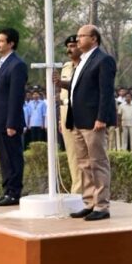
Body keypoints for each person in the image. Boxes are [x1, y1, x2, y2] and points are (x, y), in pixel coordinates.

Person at [58, 24, 117, 221]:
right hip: (77, 120)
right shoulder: (81, 61)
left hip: (93, 121)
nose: (77, 39)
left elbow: (106, 92)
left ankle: (102, 205)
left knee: (97, 163)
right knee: (83, 163)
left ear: (94, 39)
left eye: (82, 36)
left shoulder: (103, 60)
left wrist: (101, 117)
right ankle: (89, 202)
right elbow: (79, 87)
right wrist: (61, 83)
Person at [0, 26, 29, 206]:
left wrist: (12, 122)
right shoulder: (3, 63)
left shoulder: (17, 64)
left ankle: (14, 193)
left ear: (11, 43)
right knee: (4, 158)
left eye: (1, 41)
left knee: (12, 157)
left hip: (8, 121)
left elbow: (15, 96)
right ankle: (7, 190)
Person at [59, 35, 82, 192]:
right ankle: (77, 189)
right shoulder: (66, 67)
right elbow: (62, 96)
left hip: (81, 114)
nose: (70, 49)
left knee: (85, 156)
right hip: (66, 114)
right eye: (68, 46)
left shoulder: (85, 66)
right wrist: (61, 120)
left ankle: (80, 192)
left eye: (73, 45)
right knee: (72, 155)